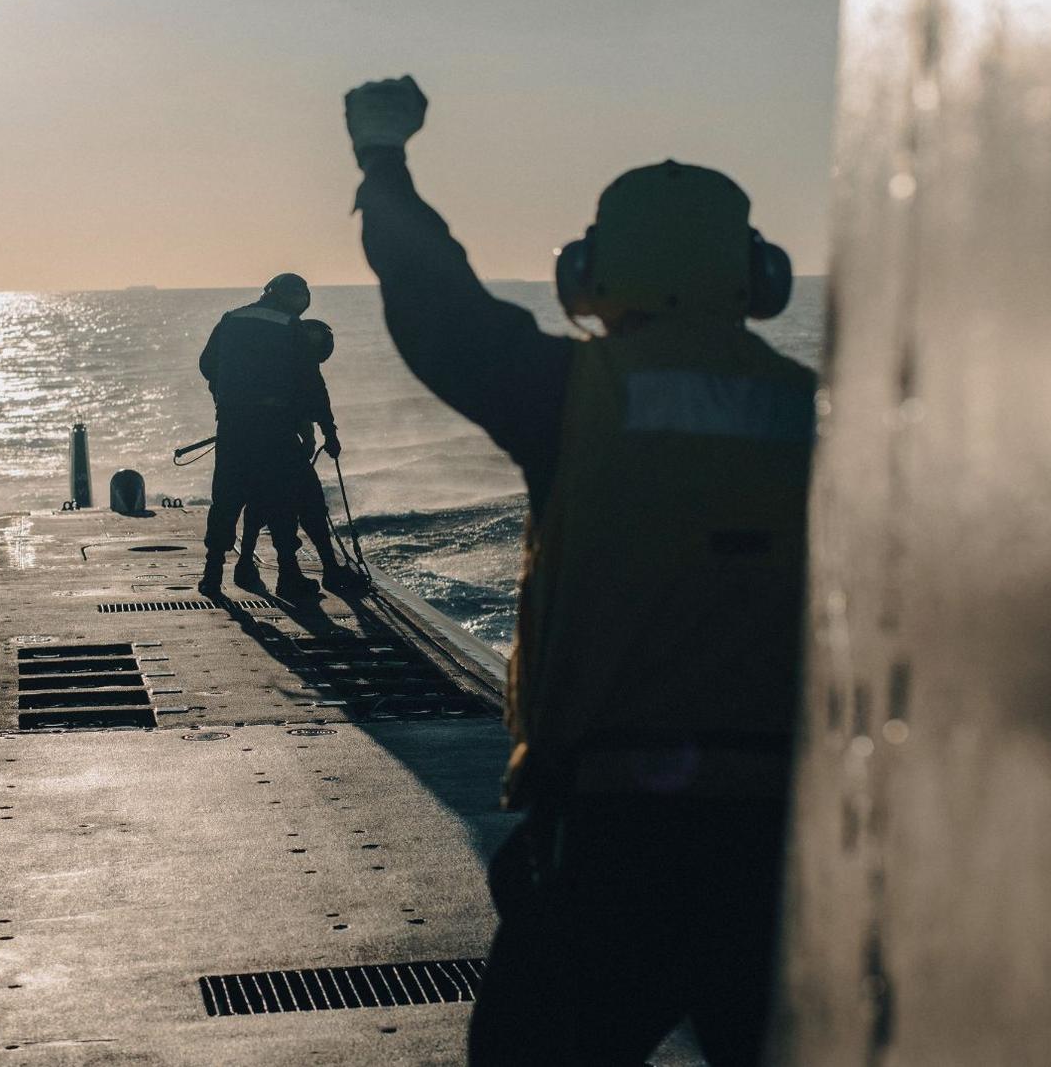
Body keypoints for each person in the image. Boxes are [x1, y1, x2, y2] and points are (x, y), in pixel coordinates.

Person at [342, 75, 814, 1065]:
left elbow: (438, 307)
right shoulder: (820, 413)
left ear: (590, 274)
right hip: (788, 847)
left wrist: (382, 161)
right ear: (755, 276)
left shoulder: (567, 394)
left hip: (616, 840)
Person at [197, 274, 339, 601]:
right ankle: (288, 575)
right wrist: (328, 431)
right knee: (282, 497)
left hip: (232, 425)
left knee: (227, 498)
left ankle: (212, 575)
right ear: (294, 298)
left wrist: (229, 395)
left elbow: (207, 365)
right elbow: (312, 386)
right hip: (274, 427)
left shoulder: (231, 319)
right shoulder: (291, 328)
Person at [238, 319, 369, 595]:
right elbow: (318, 400)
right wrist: (329, 436)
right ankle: (299, 573)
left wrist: (314, 435)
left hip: (259, 441)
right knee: (303, 503)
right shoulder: (297, 362)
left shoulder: (268, 359)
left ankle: (247, 563)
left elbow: (304, 405)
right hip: (275, 444)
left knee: (264, 502)